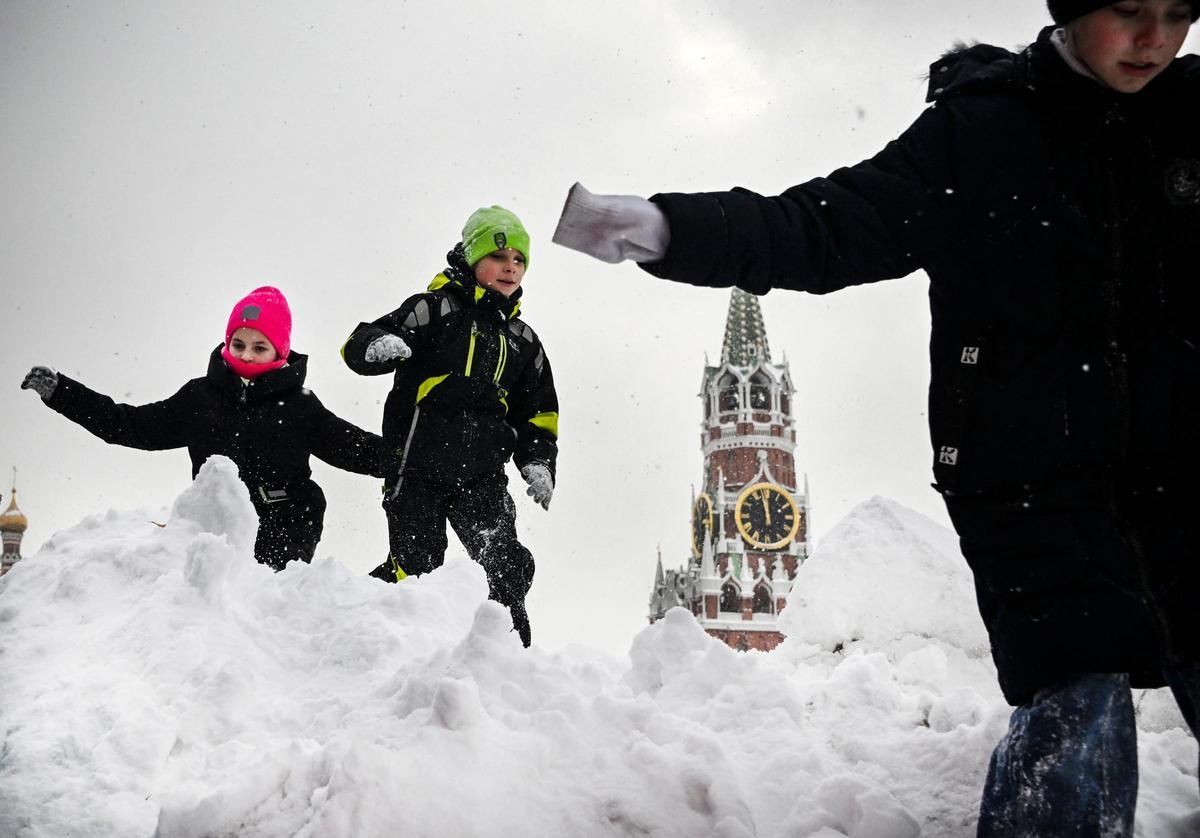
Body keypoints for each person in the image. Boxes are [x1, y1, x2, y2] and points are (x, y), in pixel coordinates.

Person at [553, 1, 1199, 834]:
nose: (1155, 39)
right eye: (1130, 11)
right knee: (1076, 700)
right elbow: (829, 226)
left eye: (1180, 13)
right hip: (1037, 478)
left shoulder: (1187, 120)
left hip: (1184, 467)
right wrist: (674, 229)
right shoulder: (984, 130)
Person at [20, 286, 385, 571]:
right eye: (238, 343)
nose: (246, 354)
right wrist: (62, 393)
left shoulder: (299, 406)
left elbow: (354, 448)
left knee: (267, 605)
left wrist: (412, 457)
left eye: (260, 347)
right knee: (213, 610)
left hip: (287, 519)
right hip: (217, 523)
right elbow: (127, 425)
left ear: (280, 353)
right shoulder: (200, 398)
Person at [342, 206, 558, 647]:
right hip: (417, 467)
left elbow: (538, 413)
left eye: (519, 260)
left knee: (507, 563)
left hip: (482, 477)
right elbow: (357, 343)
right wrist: (380, 346)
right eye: (499, 257)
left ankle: (510, 656)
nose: (510, 267)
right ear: (473, 258)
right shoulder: (434, 310)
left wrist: (537, 461)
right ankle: (360, 625)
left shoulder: (523, 341)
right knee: (416, 568)